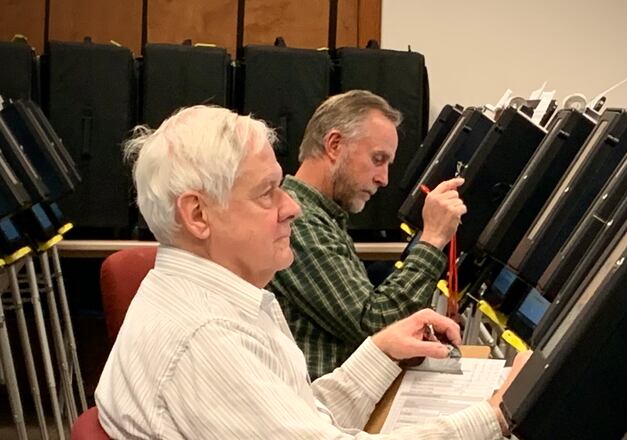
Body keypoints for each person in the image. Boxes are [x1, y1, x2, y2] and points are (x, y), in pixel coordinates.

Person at [94, 105, 527, 438]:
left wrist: (380, 352)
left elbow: (295, 418)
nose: (292, 207)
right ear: (197, 215)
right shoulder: (207, 337)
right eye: (267, 193)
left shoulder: (210, 298)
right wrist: (496, 415)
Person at [270, 90, 467, 378]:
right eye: (378, 159)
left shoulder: (324, 217)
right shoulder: (299, 221)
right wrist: (433, 238)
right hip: (319, 399)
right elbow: (375, 324)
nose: (383, 178)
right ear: (334, 145)